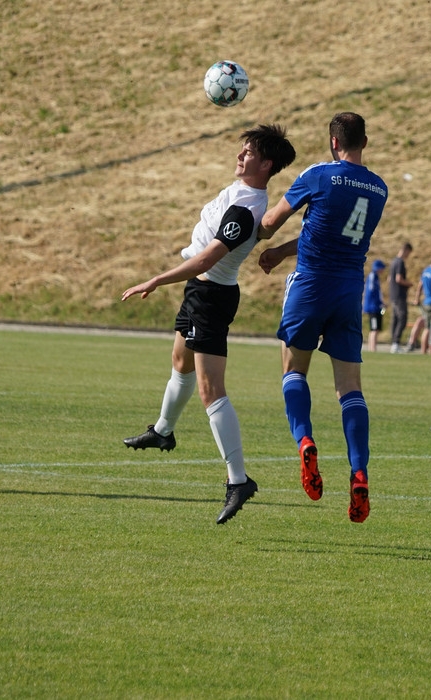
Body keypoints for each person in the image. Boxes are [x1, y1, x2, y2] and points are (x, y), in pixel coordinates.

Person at [121, 124, 296, 525]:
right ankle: (163, 430)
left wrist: (155, 280)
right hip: (199, 293)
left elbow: (205, 260)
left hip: (212, 297)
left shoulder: (246, 209)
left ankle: (239, 480)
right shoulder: (239, 193)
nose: (240, 155)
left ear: (266, 164)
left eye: (248, 152)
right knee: (180, 362)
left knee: (210, 389)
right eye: (242, 149)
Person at [257, 112, 388, 523]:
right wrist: (283, 252)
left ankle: (305, 442)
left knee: (294, 369)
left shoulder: (318, 175)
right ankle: (359, 470)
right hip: (349, 292)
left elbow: (269, 222)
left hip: (310, 285)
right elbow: (331, 231)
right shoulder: (379, 188)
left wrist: (245, 231)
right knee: (350, 388)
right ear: (364, 141)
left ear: (333, 142)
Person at [387, 243, 413, 352]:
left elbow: (389, 279)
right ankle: (396, 342)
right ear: (406, 250)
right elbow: (399, 279)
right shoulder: (400, 262)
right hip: (399, 295)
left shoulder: (393, 261)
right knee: (402, 317)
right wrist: (408, 284)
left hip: (393, 294)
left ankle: (393, 342)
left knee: (395, 318)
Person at [362, 259, 386, 351]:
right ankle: (372, 348)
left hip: (377, 307)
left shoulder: (376, 277)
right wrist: (377, 303)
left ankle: (373, 347)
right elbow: (371, 292)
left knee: (376, 328)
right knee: (374, 328)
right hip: (373, 307)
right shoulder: (372, 276)